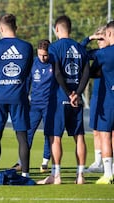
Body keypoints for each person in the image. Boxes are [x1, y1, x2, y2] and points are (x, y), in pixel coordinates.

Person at [0, 13, 33, 184]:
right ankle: (25, 175)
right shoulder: (27, 47)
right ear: (15, 27)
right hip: (19, 96)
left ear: (1, 28)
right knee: (22, 137)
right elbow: (27, 71)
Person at [37, 15, 90, 185]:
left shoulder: (54, 48)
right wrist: (77, 94)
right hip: (77, 99)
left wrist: (68, 93)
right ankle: (80, 175)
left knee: (55, 137)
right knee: (79, 136)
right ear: (70, 29)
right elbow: (86, 74)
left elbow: (58, 73)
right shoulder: (81, 48)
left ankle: (56, 175)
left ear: (57, 29)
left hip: (60, 97)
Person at [12, 39, 53, 173]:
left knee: (49, 134)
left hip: (50, 105)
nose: (42, 58)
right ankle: (20, 162)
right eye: (40, 54)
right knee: (27, 134)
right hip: (34, 105)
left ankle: (45, 162)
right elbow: (27, 83)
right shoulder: (33, 63)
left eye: (45, 55)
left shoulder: (54, 63)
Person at [81, 26, 110, 173]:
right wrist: (89, 38)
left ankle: (109, 164)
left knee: (109, 132)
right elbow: (80, 50)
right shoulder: (97, 54)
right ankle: (98, 162)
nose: (99, 41)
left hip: (109, 97)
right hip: (96, 96)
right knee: (96, 130)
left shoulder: (110, 54)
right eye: (97, 38)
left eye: (101, 38)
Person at [91, 21, 114, 184]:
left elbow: (90, 68)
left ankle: (107, 174)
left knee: (105, 135)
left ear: (110, 34)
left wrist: (90, 38)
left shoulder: (104, 54)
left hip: (109, 100)